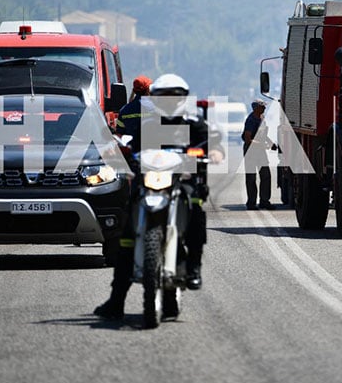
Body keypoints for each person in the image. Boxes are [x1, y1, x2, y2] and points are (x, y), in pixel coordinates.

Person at [94, 73, 223, 321]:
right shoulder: (149, 125)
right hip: (151, 181)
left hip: (182, 181)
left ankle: (194, 267)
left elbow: (211, 143)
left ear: (182, 99)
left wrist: (214, 153)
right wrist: (121, 153)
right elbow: (133, 146)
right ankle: (116, 301)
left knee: (196, 208)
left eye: (174, 97)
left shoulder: (193, 123)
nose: (169, 102)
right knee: (127, 236)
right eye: (163, 97)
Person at [242, 99, 275, 210]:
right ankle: (251, 203)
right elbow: (248, 139)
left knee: (266, 175)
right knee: (251, 177)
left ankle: (264, 201)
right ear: (256, 108)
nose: (264, 108)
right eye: (262, 106)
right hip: (251, 151)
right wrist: (261, 145)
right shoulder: (251, 120)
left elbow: (262, 135)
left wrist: (271, 143)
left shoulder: (261, 118)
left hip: (260, 151)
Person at [114, 75, 152, 152]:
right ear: (148, 89)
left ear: (134, 91)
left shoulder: (124, 110)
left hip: (132, 151)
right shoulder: (155, 108)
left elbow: (119, 134)